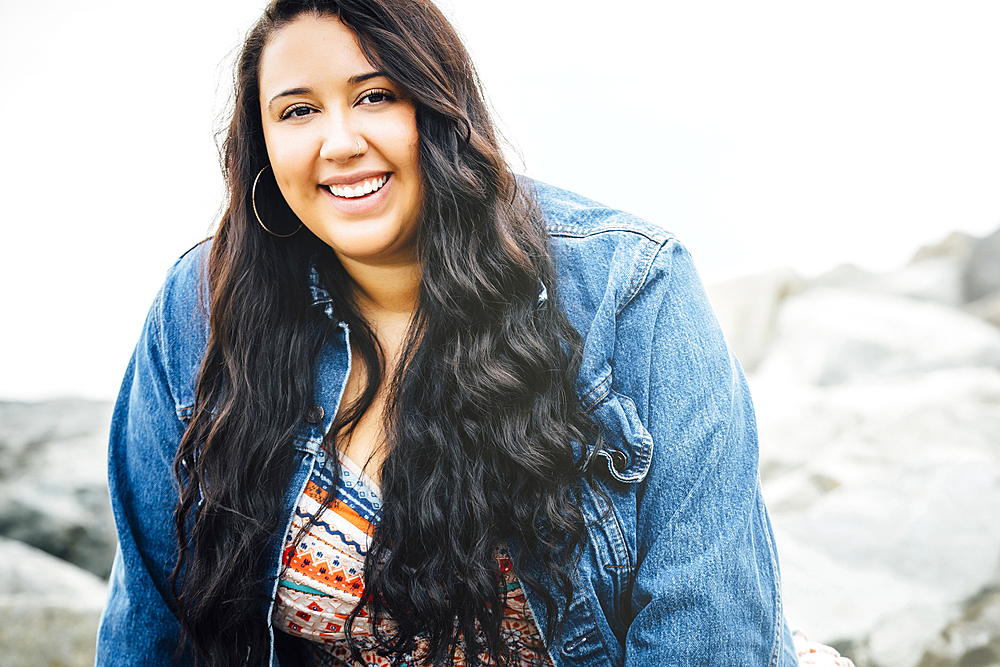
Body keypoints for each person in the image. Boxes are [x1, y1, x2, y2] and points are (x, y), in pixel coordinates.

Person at [94, 1, 846, 665]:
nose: (341, 141)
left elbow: (707, 627)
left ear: (440, 109)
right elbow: (152, 622)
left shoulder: (630, 288)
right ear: (261, 148)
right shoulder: (201, 312)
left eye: (375, 96)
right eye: (297, 111)